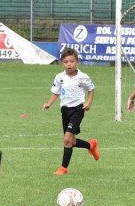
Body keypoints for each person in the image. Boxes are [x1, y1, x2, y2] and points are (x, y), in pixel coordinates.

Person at [42, 47, 99, 175]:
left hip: (78, 109)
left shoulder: (83, 77)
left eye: (72, 61)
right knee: (71, 141)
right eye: (66, 62)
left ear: (77, 62)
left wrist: (88, 103)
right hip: (65, 110)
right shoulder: (59, 77)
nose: (69, 64)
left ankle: (64, 168)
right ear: (62, 63)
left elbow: (91, 89)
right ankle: (91, 145)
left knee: (67, 139)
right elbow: (56, 92)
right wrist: (49, 103)